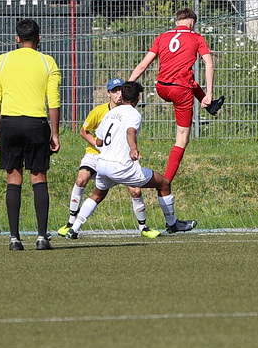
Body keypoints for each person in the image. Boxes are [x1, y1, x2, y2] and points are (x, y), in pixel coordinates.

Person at [66, 81, 197, 237]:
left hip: (103, 164)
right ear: (138, 98)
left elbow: (99, 142)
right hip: (121, 167)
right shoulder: (134, 114)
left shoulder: (110, 113)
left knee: (97, 195)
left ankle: (74, 229)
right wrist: (133, 148)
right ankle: (172, 223)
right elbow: (130, 132)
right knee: (164, 183)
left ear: (122, 96)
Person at [0, 18, 61, 251]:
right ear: (39, 38)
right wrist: (55, 133)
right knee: (39, 178)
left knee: (13, 178)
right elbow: (54, 101)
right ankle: (41, 238)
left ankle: (14, 239)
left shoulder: (2, 61)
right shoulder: (47, 62)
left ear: (17, 38)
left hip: (9, 123)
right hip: (36, 123)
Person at [128, 7, 224, 182]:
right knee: (182, 138)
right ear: (192, 23)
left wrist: (128, 84)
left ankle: (208, 105)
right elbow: (209, 65)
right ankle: (166, 182)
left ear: (176, 22)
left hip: (162, 87)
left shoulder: (162, 37)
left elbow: (143, 65)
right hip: (180, 92)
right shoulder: (197, 37)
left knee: (188, 79)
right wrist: (209, 93)